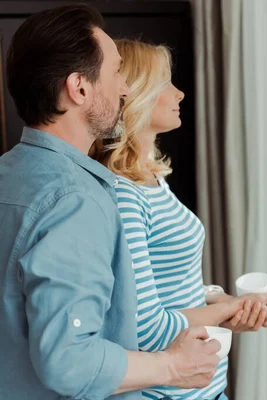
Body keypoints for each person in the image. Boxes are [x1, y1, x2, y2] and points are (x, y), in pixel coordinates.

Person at [0, 5, 221, 398]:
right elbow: (70, 361)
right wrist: (173, 364)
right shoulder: (75, 200)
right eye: (116, 72)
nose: (124, 88)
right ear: (80, 88)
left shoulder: (7, 174)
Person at [90, 39, 267, 399]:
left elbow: (169, 286)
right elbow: (146, 328)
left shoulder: (150, 179)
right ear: (135, 95)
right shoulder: (125, 196)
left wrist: (221, 301)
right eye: (165, 83)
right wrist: (228, 309)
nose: (179, 93)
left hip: (204, 388)